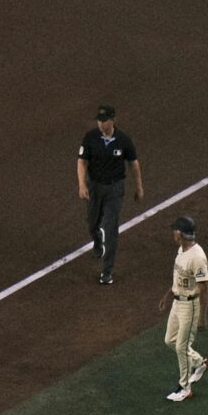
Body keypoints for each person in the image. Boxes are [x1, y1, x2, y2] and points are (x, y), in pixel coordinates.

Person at [76, 105, 143, 284]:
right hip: (95, 187)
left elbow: (133, 164)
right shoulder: (90, 138)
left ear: (113, 120)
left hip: (115, 189)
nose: (101, 123)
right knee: (92, 223)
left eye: (104, 120)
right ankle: (97, 240)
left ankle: (107, 271)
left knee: (111, 228)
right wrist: (82, 184)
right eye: (99, 120)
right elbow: (82, 162)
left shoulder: (123, 140)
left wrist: (139, 187)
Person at [160, 215, 208, 402]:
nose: (173, 233)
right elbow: (179, 278)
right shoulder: (181, 250)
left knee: (181, 347)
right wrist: (167, 295)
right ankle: (200, 362)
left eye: (175, 230)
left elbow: (204, 287)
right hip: (177, 302)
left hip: (190, 306)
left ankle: (184, 388)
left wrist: (202, 316)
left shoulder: (197, 257)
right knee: (169, 340)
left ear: (180, 233)